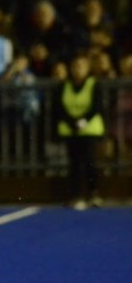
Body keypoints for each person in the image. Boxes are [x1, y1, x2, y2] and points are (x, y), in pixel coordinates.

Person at [54, 54, 106, 210]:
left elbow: (96, 106)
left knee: (90, 162)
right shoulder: (64, 86)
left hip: (89, 130)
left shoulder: (94, 84)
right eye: (75, 66)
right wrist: (72, 122)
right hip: (71, 130)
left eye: (81, 66)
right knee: (74, 164)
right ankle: (76, 196)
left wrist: (82, 121)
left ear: (87, 68)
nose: (78, 70)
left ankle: (93, 194)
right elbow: (60, 107)